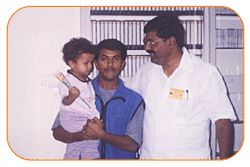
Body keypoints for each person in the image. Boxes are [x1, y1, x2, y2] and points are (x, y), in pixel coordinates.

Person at [126, 14, 237, 159]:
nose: (147, 48)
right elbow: (127, 104)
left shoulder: (204, 73)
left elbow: (223, 122)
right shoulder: (145, 72)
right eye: (145, 42)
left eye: (152, 43)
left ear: (171, 42)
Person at [52, 39, 144, 159]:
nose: (110, 64)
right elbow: (58, 132)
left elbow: (133, 145)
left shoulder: (134, 100)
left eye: (115, 59)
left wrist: (102, 135)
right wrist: (83, 135)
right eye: (104, 58)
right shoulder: (81, 91)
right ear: (95, 63)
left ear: (122, 64)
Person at [57, 38, 100, 159]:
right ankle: (86, 157)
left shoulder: (85, 79)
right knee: (87, 139)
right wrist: (71, 97)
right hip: (73, 117)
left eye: (91, 62)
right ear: (71, 64)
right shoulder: (67, 82)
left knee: (89, 141)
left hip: (83, 116)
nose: (90, 67)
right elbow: (65, 101)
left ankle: (89, 156)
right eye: (86, 63)